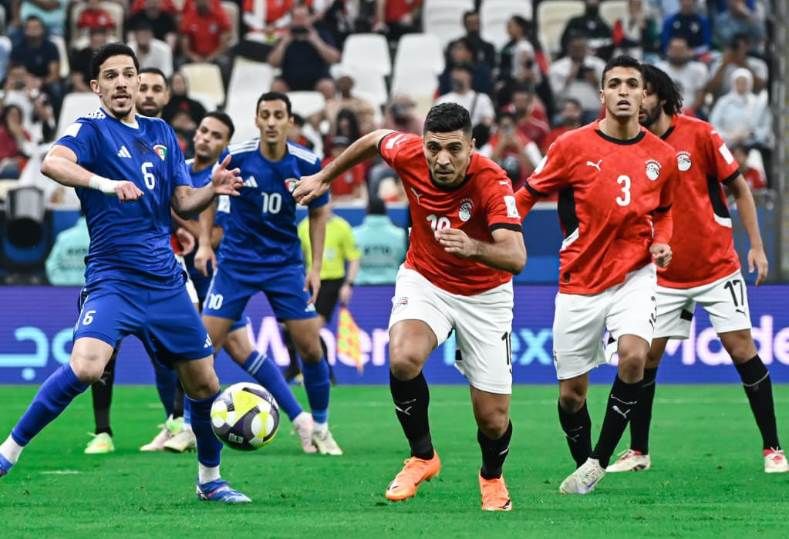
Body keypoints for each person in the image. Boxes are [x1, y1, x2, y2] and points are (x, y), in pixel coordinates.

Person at [0, 43, 251, 503]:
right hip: (113, 278)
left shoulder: (161, 132)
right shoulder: (90, 129)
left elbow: (182, 203)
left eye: (128, 74)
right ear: (96, 87)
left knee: (205, 384)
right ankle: (6, 454)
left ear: (138, 82)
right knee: (85, 367)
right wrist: (104, 183)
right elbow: (52, 162)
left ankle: (210, 480)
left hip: (165, 282)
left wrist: (212, 189)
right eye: (111, 76)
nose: (121, 83)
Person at [293, 102, 526, 511]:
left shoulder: (492, 181)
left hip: (485, 295)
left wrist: (472, 247)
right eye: (434, 147)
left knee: (493, 420)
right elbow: (374, 139)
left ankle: (491, 476)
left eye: (454, 148)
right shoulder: (408, 153)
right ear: (423, 144)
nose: (442, 159)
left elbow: (516, 256)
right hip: (426, 279)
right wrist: (324, 177)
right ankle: (422, 456)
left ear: (472, 146)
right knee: (402, 359)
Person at [606, 64, 787, 474]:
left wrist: (757, 247)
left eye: (644, 92)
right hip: (664, 274)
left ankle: (773, 449)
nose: (637, 100)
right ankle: (638, 452)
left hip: (715, 267)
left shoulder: (701, 134)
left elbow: (739, 188)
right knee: (644, 358)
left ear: (662, 97)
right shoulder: (635, 144)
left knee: (741, 349)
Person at [514, 55, 678, 495]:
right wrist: (502, 233)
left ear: (644, 95)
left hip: (635, 275)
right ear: (602, 94)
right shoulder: (571, 146)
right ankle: (583, 461)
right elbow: (527, 194)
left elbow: (664, 212)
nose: (624, 91)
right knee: (572, 396)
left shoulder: (661, 156)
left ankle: (598, 461)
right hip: (580, 280)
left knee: (634, 357)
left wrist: (662, 242)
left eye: (632, 84)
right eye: (615, 84)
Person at [195, 91, 342, 455]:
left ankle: (320, 427)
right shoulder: (237, 158)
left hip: (284, 265)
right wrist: (204, 244)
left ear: (290, 121)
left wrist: (316, 267)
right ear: (257, 120)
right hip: (236, 264)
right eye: (266, 115)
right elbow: (211, 195)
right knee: (202, 348)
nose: (272, 122)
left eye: (279, 115)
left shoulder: (307, 162)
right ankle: (188, 427)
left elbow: (320, 213)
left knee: (310, 348)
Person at [81, 66, 192, 456]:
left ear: (165, 97)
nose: (145, 92)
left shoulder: (164, 136)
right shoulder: (98, 132)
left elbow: (174, 200)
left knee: (170, 354)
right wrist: (106, 185)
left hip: (163, 264)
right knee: (101, 357)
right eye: (141, 85)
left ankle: (177, 421)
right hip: (114, 264)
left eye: (154, 88)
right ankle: (102, 430)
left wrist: (185, 227)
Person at [353, 198, 407, 285]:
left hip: (361, 286)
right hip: (393, 284)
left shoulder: (354, 234)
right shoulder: (400, 234)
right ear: (386, 210)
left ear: (367, 210)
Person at [45, 213, 89, 285]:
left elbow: (51, 265)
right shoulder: (102, 238)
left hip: (65, 289)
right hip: (94, 289)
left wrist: (64, 284)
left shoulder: (63, 237)